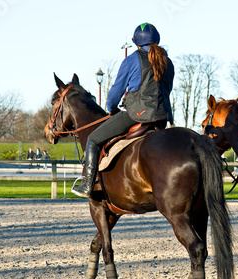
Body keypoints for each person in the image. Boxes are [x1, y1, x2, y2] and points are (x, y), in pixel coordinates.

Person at [71, 23, 175, 198]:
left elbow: (116, 92)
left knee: (93, 139)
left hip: (137, 115)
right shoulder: (167, 61)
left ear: (137, 43)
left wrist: (111, 109)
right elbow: (167, 89)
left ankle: (87, 184)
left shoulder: (133, 59)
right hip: (162, 117)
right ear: (157, 40)